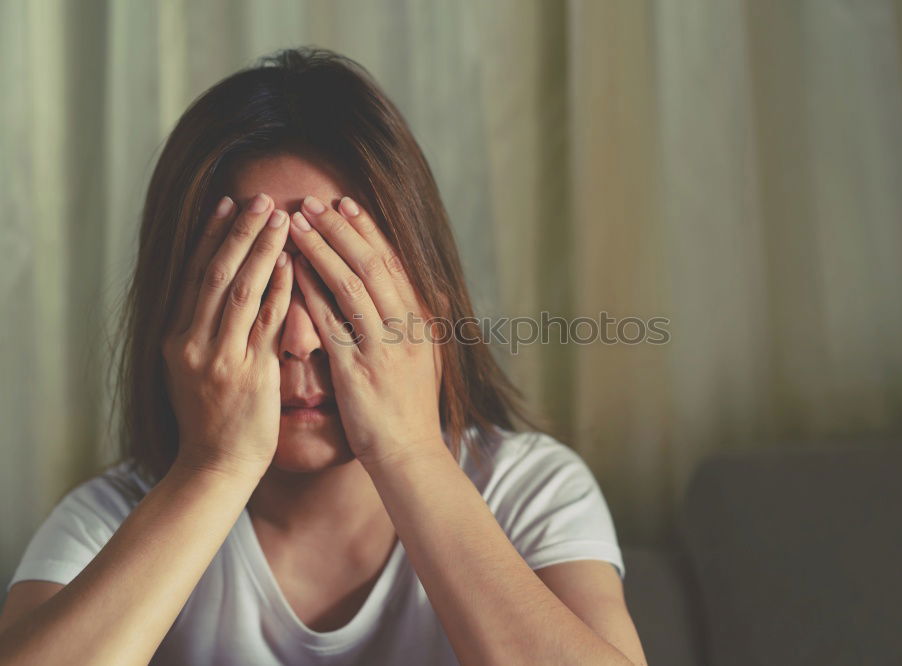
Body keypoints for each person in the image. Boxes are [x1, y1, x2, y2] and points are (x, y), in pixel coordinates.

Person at [0, 47, 647, 665]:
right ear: (177, 322)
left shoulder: (527, 491)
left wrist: (410, 454)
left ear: (428, 308)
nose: (301, 340)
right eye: (256, 288)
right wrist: (214, 467)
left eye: (339, 284)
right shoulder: (111, 519)